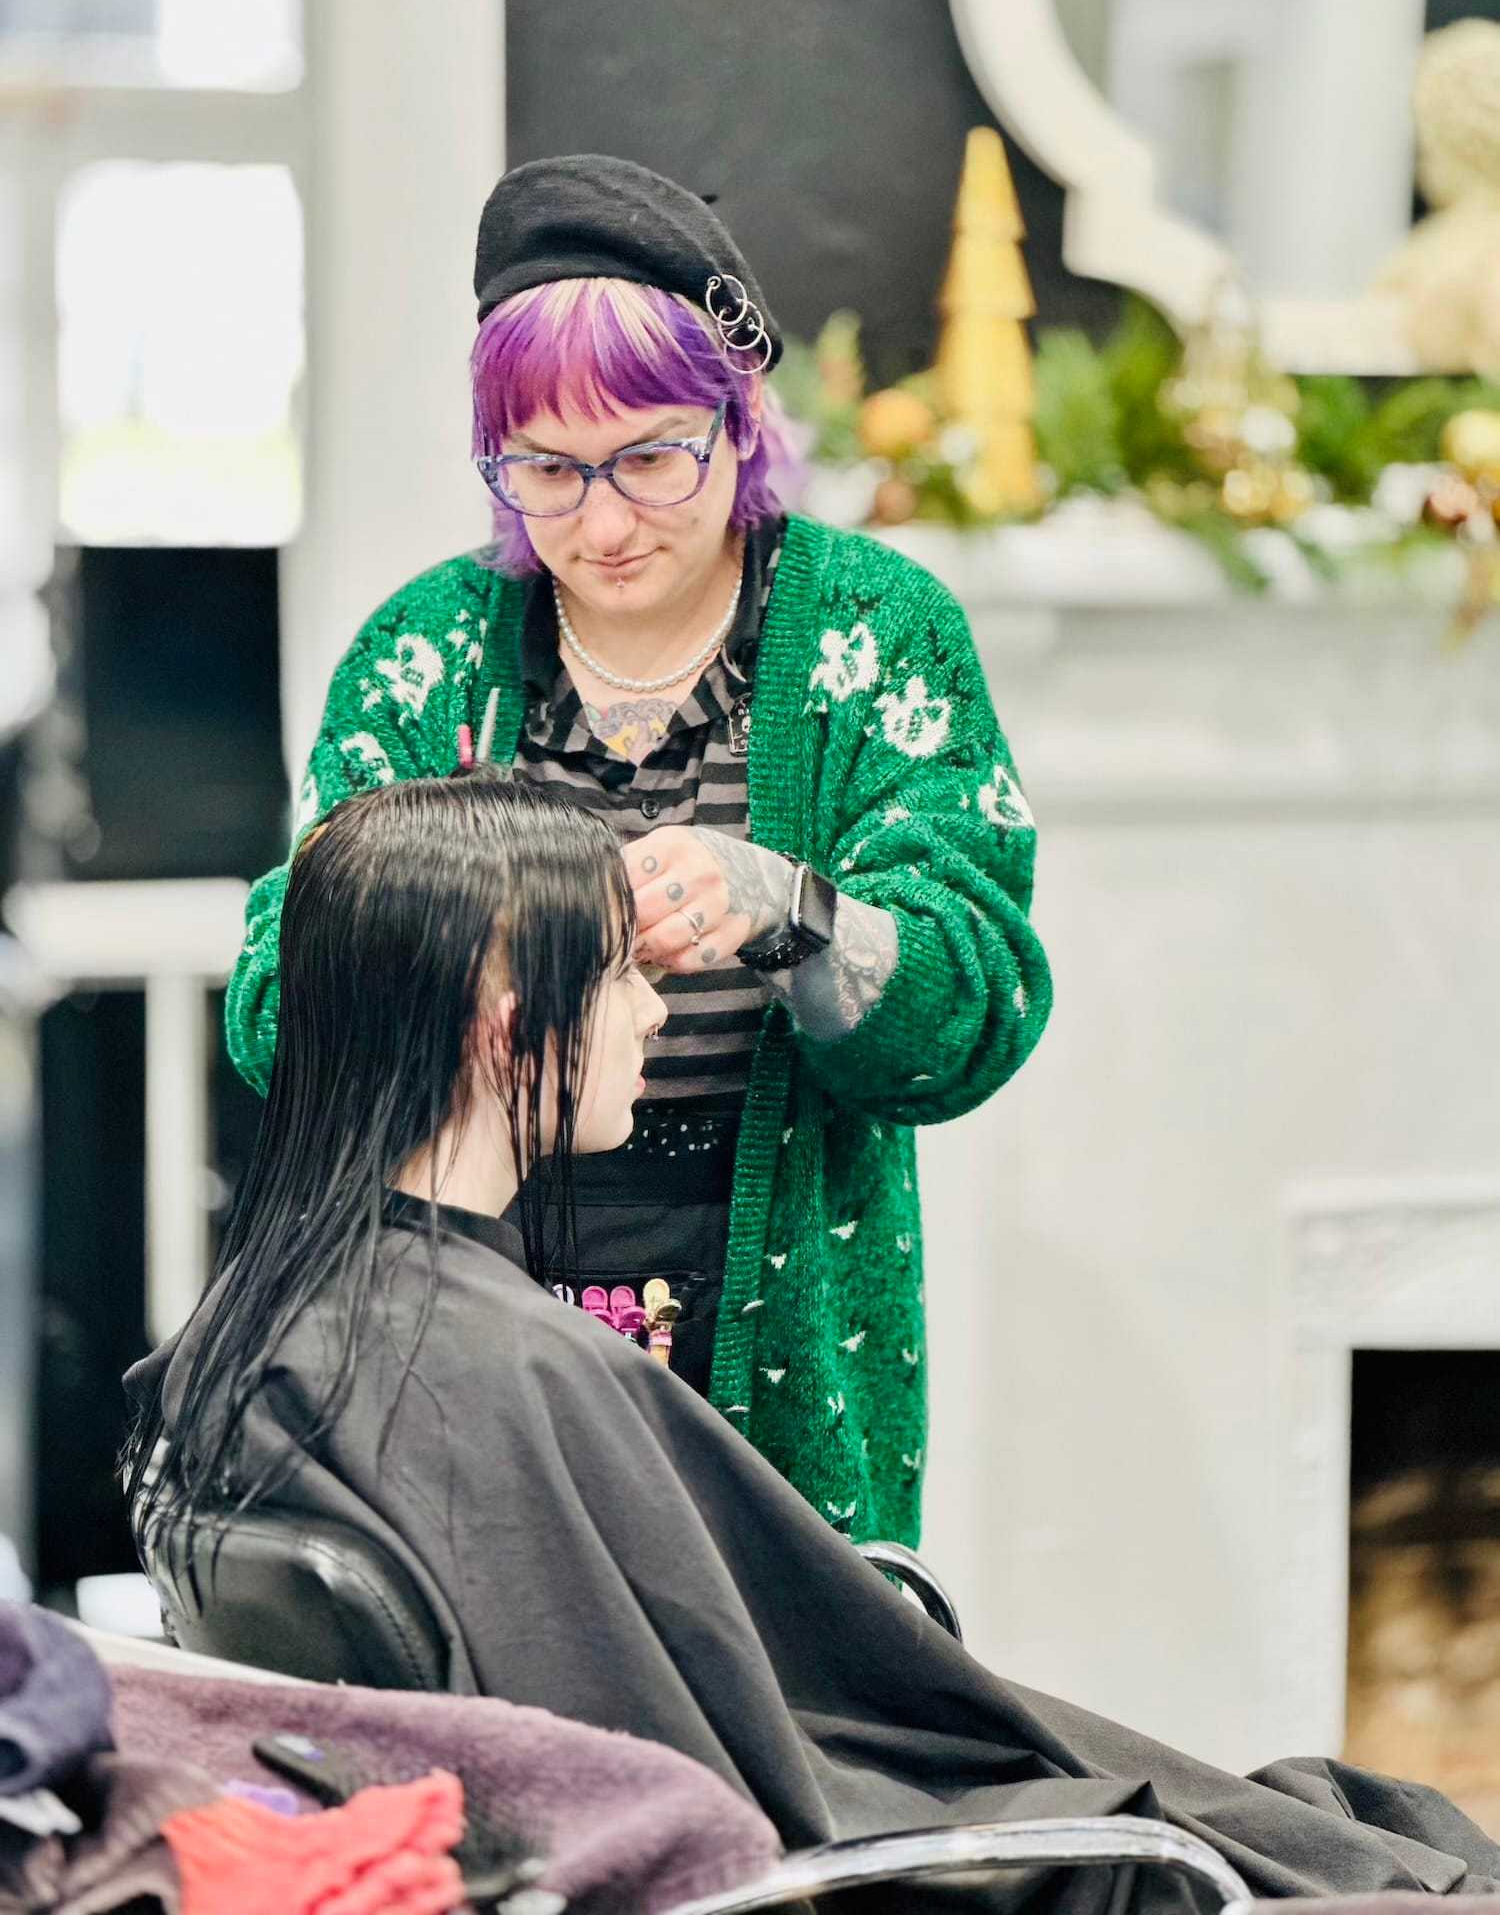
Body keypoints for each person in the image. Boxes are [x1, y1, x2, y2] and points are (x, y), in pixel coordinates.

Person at [126, 774, 1500, 1912]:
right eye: (616, 977)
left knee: (1326, 1825)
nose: (656, 1015)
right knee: (1332, 1858)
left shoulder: (257, 1337)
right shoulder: (508, 1373)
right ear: (505, 1021)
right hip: (833, 1868)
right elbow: (721, 1804)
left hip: (688, 1821)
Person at [222, 154, 1052, 1546]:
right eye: (547, 471)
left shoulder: (877, 636)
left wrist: (789, 910)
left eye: (653, 458)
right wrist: (475, 936)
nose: (602, 525)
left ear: (741, 423)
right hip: (458, 1338)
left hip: (779, 1331)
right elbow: (276, 1013)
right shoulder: (423, 654)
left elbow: (976, 1012)